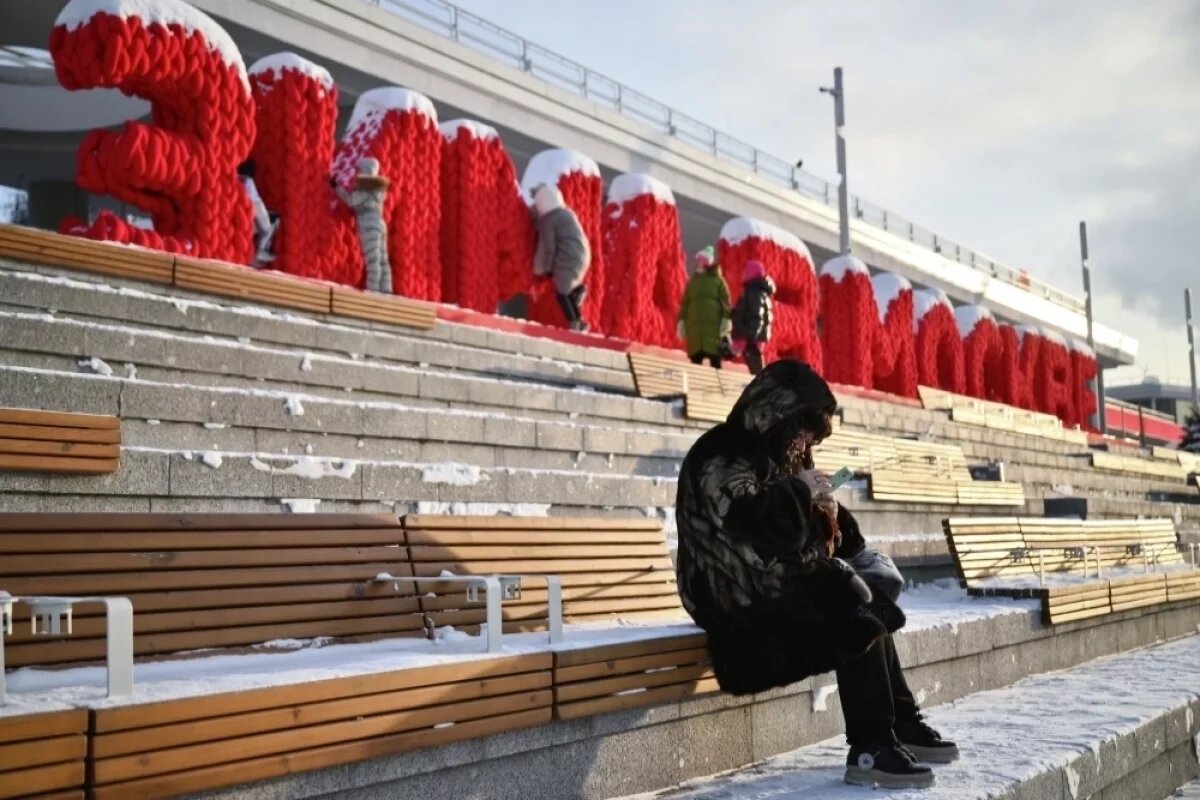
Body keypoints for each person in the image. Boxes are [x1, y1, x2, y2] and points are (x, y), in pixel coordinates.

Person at [674, 360, 957, 789]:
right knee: (844, 597)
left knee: (864, 589)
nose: (807, 441)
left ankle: (899, 722)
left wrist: (834, 524)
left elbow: (804, 532)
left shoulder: (782, 453)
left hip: (769, 580)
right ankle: (870, 748)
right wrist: (801, 493)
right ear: (778, 414)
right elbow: (759, 529)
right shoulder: (722, 454)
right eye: (804, 430)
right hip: (727, 595)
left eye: (813, 434)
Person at [531, 183, 591, 332]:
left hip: (568, 257)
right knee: (569, 288)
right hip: (583, 255)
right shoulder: (567, 213)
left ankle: (577, 323)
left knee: (562, 293)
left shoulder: (548, 220)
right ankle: (580, 290)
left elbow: (550, 247)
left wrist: (549, 268)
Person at [332, 158, 392, 294]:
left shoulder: (365, 187)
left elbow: (351, 201)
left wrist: (337, 187)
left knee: (372, 259)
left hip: (367, 223)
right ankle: (386, 289)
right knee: (383, 258)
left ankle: (373, 290)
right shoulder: (380, 189)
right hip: (380, 223)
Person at [677, 246, 731, 369]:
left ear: (708, 262)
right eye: (698, 260)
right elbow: (685, 304)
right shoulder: (692, 282)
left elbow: (726, 301)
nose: (698, 263)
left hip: (713, 329)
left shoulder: (718, 281)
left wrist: (726, 319)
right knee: (696, 362)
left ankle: (718, 387)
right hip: (695, 331)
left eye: (701, 260)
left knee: (715, 361)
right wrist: (681, 321)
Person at [732, 259, 775, 375]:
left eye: (746, 271)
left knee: (756, 367)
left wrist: (750, 335)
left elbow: (757, 315)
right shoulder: (755, 290)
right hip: (753, 336)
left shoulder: (754, 291)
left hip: (751, 337)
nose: (744, 273)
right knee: (755, 366)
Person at [238, 160, 277, 268]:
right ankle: (260, 251)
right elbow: (255, 202)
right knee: (267, 227)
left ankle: (259, 252)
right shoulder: (247, 182)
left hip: (247, 214)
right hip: (250, 213)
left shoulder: (241, 180)